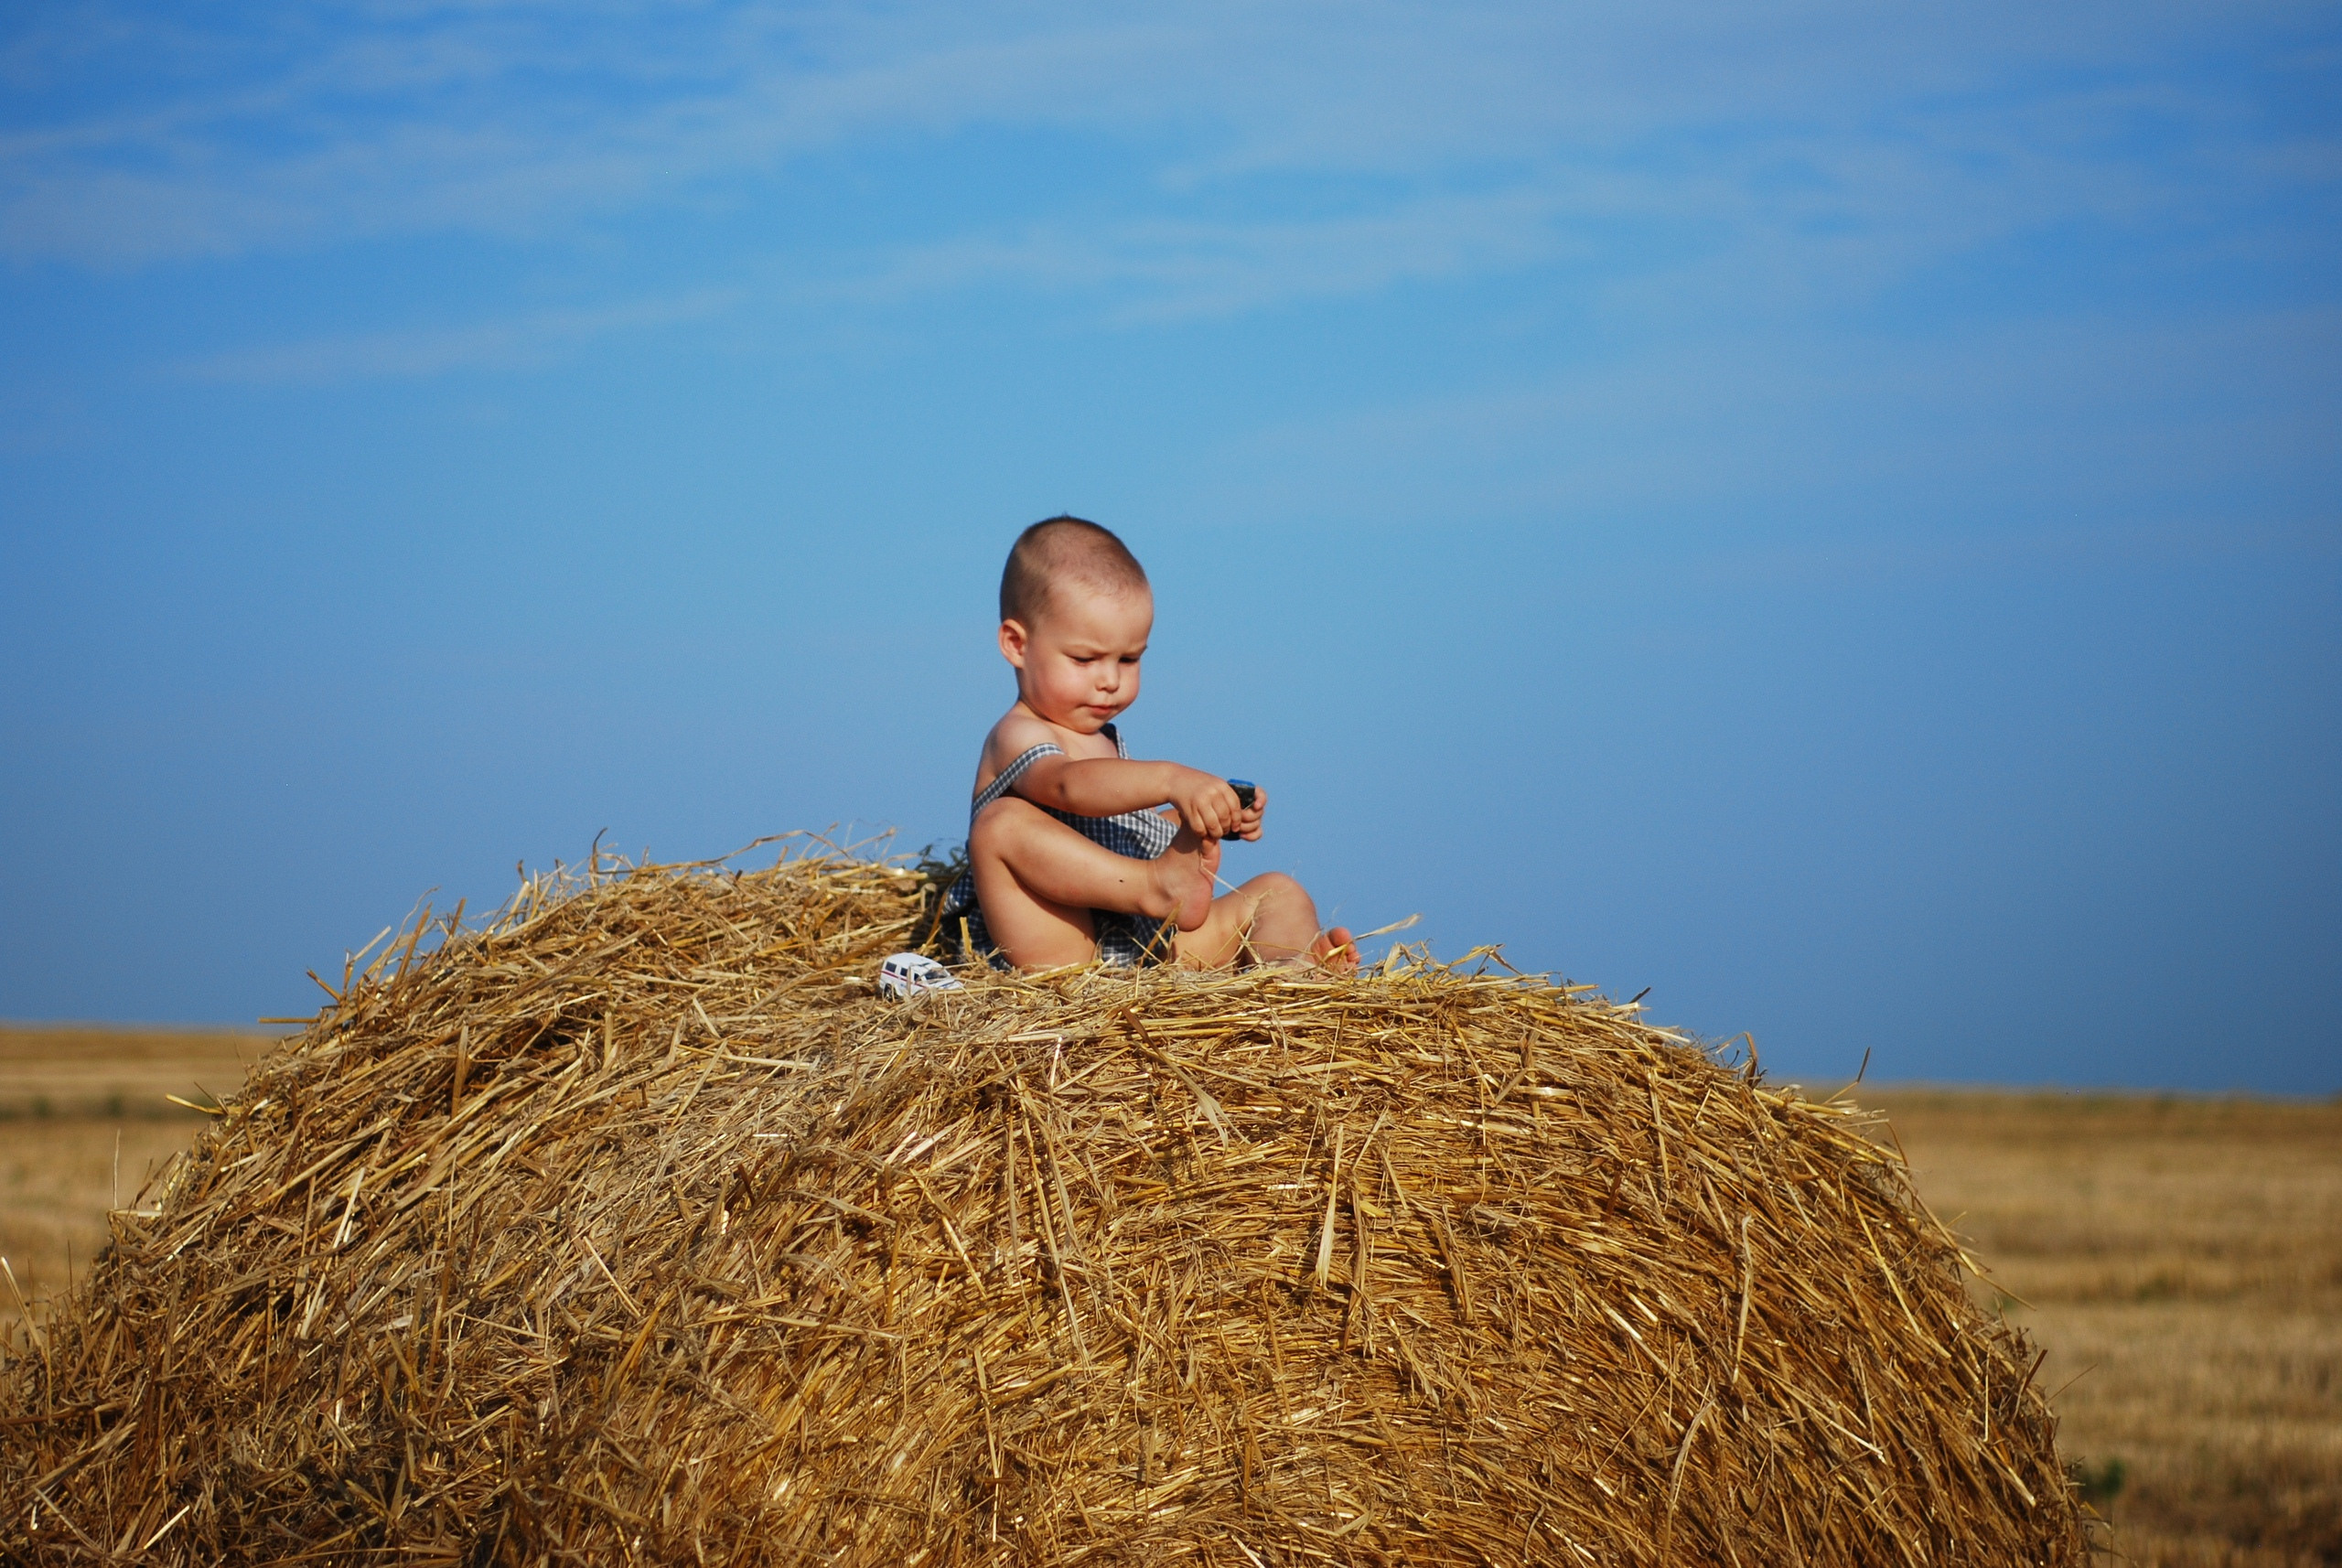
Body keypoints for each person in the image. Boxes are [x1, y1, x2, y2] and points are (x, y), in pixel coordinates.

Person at [936, 516, 1355, 972]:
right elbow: (1066, 788)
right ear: (1017, 644)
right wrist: (1171, 780)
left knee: (1278, 891)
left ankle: (1289, 975)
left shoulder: (1106, 744)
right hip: (1064, 956)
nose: (1110, 681)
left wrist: (1207, 816)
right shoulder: (1019, 733)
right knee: (1002, 824)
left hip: (1146, 951)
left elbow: (1122, 830)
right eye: (1084, 659)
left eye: (1129, 658)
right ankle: (1155, 886)